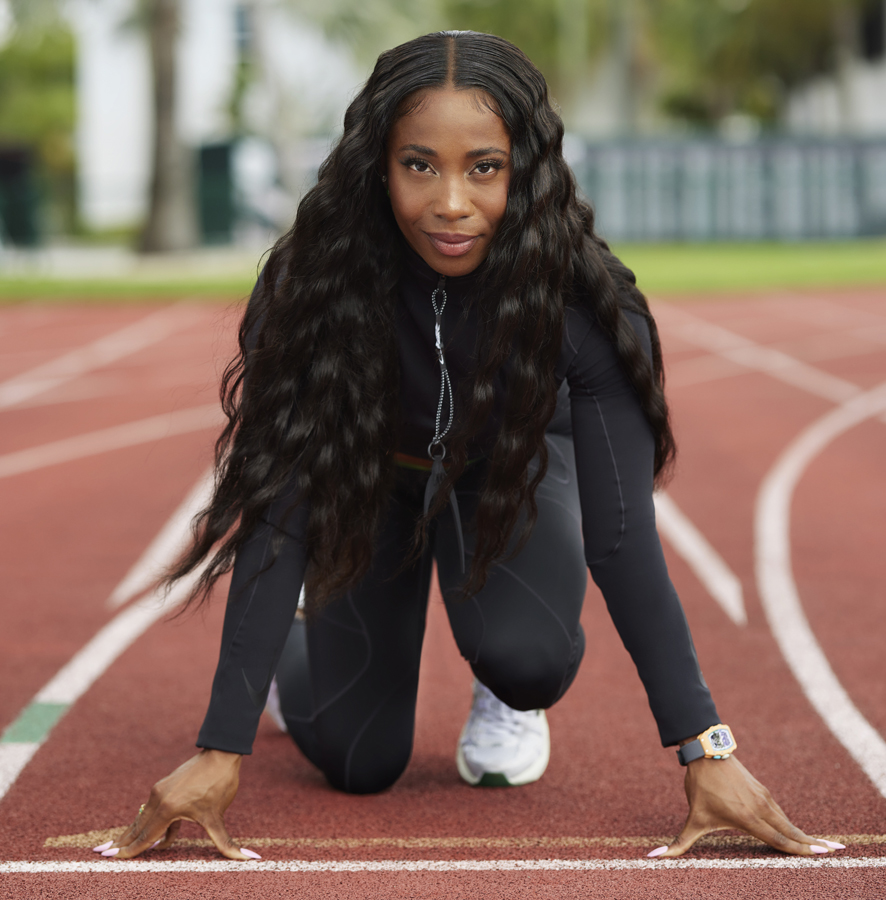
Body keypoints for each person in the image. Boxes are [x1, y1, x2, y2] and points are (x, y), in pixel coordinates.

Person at [94, 31, 844, 862]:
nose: (451, 202)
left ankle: (505, 693)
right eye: (420, 165)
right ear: (376, 166)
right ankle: (295, 658)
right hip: (372, 479)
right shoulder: (312, 287)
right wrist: (221, 745)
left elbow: (623, 538)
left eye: (483, 167)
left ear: (526, 168)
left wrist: (707, 748)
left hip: (510, 468)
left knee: (527, 659)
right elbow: (279, 517)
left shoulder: (583, 301)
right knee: (359, 761)